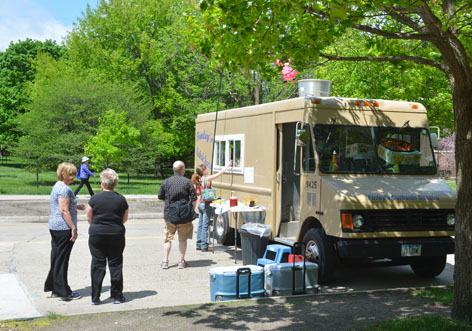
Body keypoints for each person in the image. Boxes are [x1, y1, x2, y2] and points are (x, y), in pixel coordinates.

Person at [86, 168, 129, 305]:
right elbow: (124, 218)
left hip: (97, 234)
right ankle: (117, 295)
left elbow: (89, 217)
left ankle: (95, 297)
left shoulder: (94, 199)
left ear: (102, 184)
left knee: (98, 264)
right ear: (115, 184)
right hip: (116, 234)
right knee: (115, 264)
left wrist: (97, 225)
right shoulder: (121, 199)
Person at [44, 162, 85, 301]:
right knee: (62, 260)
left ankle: (55, 289)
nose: (73, 177)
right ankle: (64, 292)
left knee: (56, 258)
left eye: (74, 174)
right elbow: (64, 210)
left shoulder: (57, 186)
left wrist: (76, 206)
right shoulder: (64, 189)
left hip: (55, 226)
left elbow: (62, 206)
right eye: (71, 174)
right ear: (63, 174)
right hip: (63, 228)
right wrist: (73, 228)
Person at [158, 160, 197, 269]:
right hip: (184, 216)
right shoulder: (188, 182)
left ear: (173, 170)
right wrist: (191, 211)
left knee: (167, 239)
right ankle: (181, 262)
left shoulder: (166, 182)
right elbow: (194, 198)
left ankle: (165, 261)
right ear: (183, 169)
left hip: (170, 214)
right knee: (182, 239)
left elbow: (160, 196)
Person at [191, 160, 233, 252]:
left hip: (200, 204)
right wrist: (228, 165)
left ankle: (198, 243)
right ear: (203, 171)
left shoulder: (199, 180)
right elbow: (220, 173)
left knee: (200, 225)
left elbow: (197, 193)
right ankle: (204, 246)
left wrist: (202, 194)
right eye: (206, 168)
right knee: (205, 225)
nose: (207, 169)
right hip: (206, 205)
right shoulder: (207, 179)